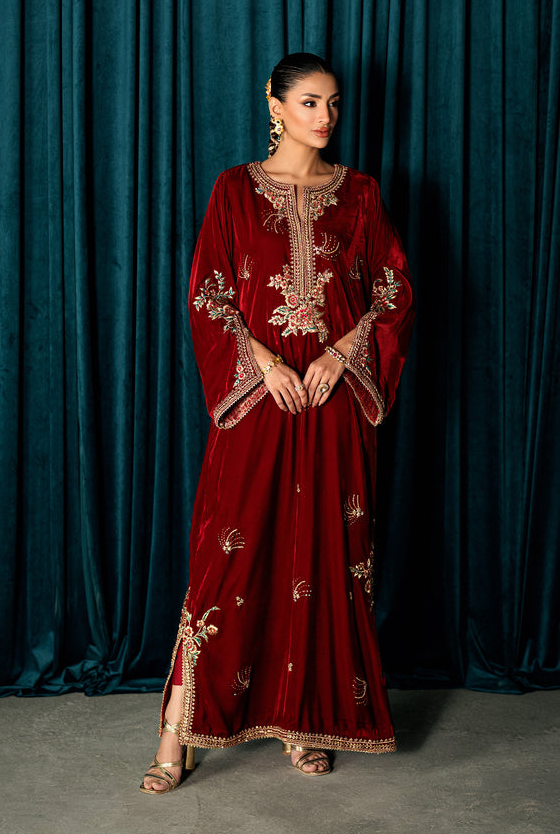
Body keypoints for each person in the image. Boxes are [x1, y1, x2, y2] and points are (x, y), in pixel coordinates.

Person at [140, 52, 415, 793]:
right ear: (275, 104)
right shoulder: (234, 190)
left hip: (332, 402)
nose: (326, 117)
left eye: (334, 103)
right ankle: (177, 732)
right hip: (259, 399)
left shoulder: (360, 194)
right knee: (228, 555)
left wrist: (341, 354)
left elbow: (392, 293)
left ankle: (305, 722)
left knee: (323, 554)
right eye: (310, 102)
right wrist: (262, 362)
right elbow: (210, 293)